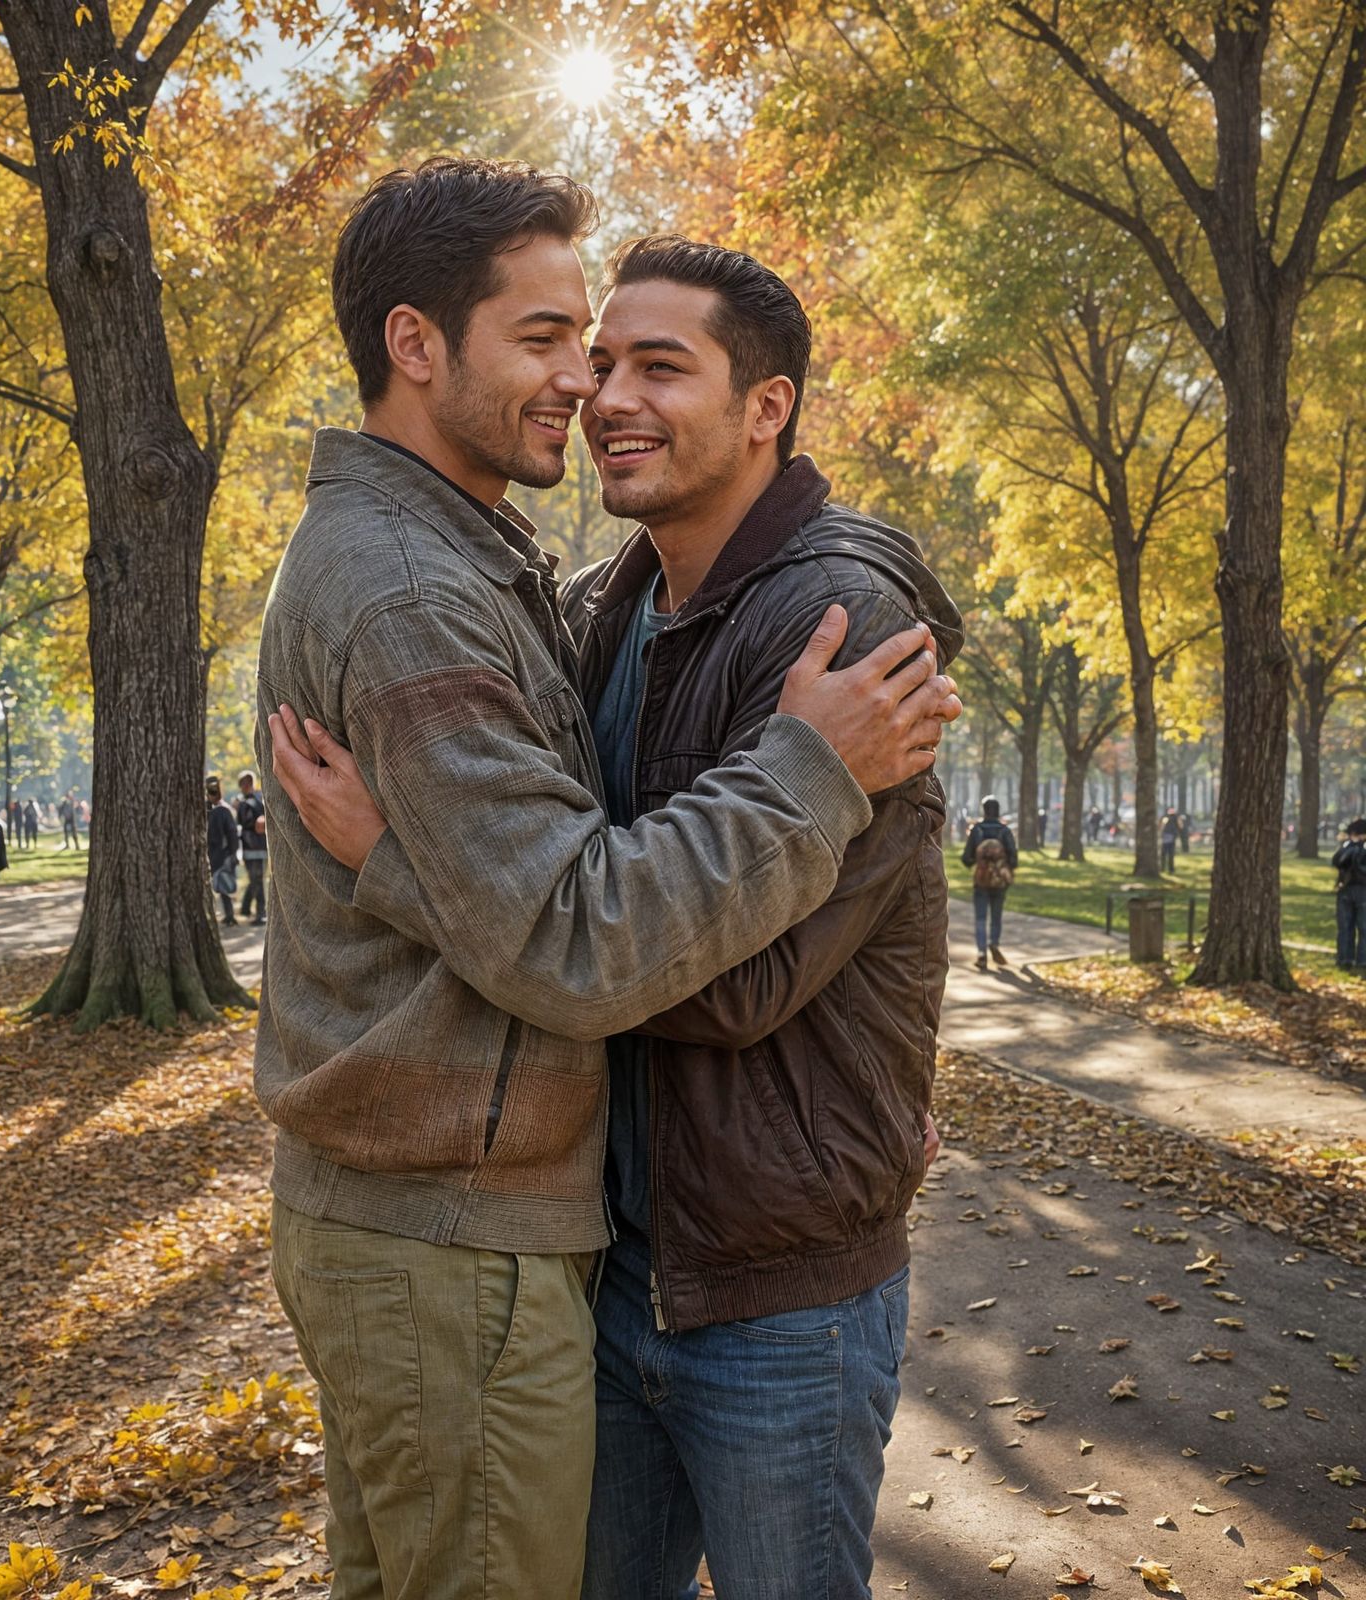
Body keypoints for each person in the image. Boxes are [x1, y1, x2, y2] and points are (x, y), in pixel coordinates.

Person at [254, 161, 958, 1600]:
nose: (595, 388)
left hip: (771, 1283)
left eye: (650, 361)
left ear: (767, 407)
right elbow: (576, 929)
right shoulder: (562, 603)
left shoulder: (844, 629)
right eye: (567, 344)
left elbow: (737, 974)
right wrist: (477, 897)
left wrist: (406, 872)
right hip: (565, 1254)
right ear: (415, 344)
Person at [963, 795, 1018, 970]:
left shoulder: (977, 830)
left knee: (980, 918)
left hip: (981, 880)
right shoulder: (1005, 831)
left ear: (984, 810)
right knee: (996, 916)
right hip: (999, 881)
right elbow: (1013, 858)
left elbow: (967, 858)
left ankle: (981, 953)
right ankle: (994, 943)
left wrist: (978, 861)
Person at [205, 776, 239, 927]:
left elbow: (232, 834)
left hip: (222, 854)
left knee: (224, 887)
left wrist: (232, 854)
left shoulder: (223, 810)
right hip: (211, 854)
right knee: (214, 887)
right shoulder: (208, 810)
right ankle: (218, 916)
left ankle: (229, 916)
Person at [235, 770, 266, 925]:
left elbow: (246, 823)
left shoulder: (252, 802)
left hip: (255, 847)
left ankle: (254, 911)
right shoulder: (256, 801)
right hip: (255, 848)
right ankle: (253, 911)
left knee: (256, 880)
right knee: (256, 880)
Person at [1334, 818, 1366, 971]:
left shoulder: (1350, 848)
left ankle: (1347, 958)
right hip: (1355, 890)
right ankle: (1357, 959)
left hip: (1349, 889)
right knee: (1356, 927)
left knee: (1348, 926)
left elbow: (1339, 861)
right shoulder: (1350, 847)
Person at [1160, 807, 1178, 874]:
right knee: (1166, 854)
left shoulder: (1175, 818)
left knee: (1169, 854)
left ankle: (1168, 869)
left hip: (1171, 836)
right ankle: (1164, 868)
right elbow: (1162, 825)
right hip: (1167, 836)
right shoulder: (1166, 817)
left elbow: (1180, 826)